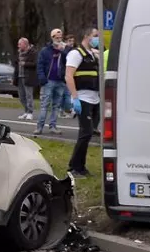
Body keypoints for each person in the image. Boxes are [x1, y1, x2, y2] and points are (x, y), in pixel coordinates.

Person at [65, 27, 101, 178]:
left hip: (95, 98)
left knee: (88, 133)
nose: (97, 39)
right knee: (85, 133)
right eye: (95, 36)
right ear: (86, 36)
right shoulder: (75, 54)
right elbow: (69, 76)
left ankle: (80, 166)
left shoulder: (92, 55)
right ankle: (75, 166)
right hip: (83, 98)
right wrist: (75, 98)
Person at [34, 29, 65, 135]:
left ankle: (53, 126)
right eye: (57, 37)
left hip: (60, 81)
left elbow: (68, 62)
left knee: (56, 106)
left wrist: (63, 51)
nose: (59, 39)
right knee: (45, 105)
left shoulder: (64, 50)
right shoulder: (45, 51)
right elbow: (40, 66)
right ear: (52, 37)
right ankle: (39, 127)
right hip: (49, 81)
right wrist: (42, 78)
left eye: (60, 37)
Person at [16, 38, 37, 120]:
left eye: (20, 44)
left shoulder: (33, 52)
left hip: (28, 76)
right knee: (21, 96)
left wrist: (25, 64)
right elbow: (16, 64)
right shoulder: (19, 53)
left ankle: (30, 112)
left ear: (25, 44)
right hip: (19, 76)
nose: (18, 46)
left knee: (29, 95)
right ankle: (26, 110)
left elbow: (35, 63)